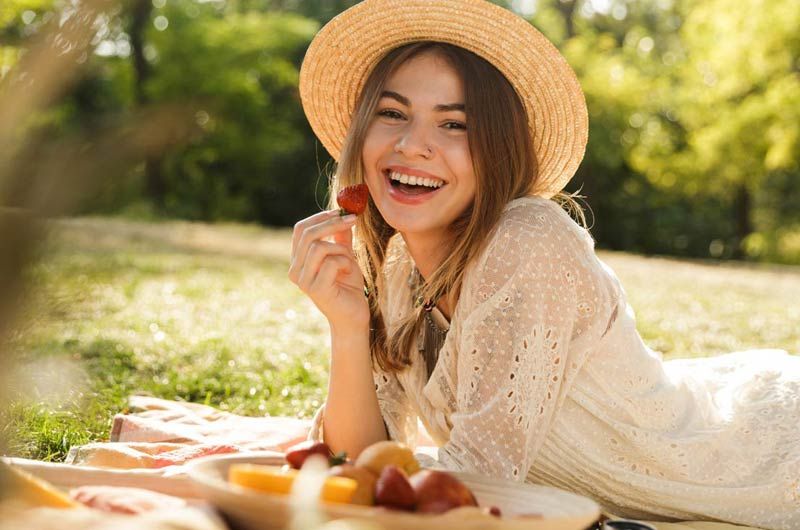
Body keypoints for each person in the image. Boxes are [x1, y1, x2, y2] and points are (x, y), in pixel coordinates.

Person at [287, 1, 800, 528]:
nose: (413, 145)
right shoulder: (399, 270)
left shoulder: (528, 240)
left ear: (499, 150)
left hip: (768, 467)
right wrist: (348, 329)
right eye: (392, 113)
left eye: (455, 124)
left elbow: (474, 491)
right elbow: (360, 466)